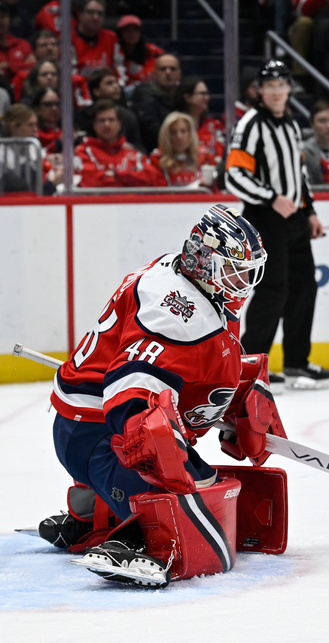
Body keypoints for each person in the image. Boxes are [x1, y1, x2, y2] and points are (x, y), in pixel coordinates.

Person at [43, 204, 282, 587]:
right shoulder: (172, 313)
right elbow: (130, 396)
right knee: (196, 494)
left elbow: (201, 361)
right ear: (205, 263)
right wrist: (161, 457)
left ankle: (89, 511)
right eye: (235, 269)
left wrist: (238, 401)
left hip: (91, 425)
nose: (244, 279)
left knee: (195, 475)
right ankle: (134, 538)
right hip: (100, 433)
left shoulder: (184, 275)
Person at [225, 60, 329, 389]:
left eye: (281, 85)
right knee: (273, 290)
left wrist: (309, 210)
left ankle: (297, 362)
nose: (275, 91)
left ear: (288, 88)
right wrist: (271, 197)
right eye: (269, 86)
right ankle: (251, 364)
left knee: (304, 287)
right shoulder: (251, 125)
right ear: (260, 90)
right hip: (265, 217)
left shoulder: (292, 125)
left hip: (294, 217)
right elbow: (233, 175)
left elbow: (298, 175)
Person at [74, 99, 163, 188]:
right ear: (94, 125)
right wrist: (129, 179)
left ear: (119, 123)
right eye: (102, 120)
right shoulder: (83, 152)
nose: (107, 124)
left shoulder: (134, 154)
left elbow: (152, 179)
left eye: (111, 120)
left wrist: (117, 174)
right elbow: (91, 182)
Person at [75, 67, 144, 149]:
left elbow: (139, 146)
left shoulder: (128, 116)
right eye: (109, 83)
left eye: (116, 82)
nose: (116, 86)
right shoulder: (83, 116)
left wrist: (131, 149)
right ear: (96, 91)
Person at [129, 53, 182, 152]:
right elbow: (153, 134)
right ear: (154, 73)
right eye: (163, 69)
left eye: (172, 69)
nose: (168, 72)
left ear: (179, 73)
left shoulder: (185, 96)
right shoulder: (143, 97)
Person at [150, 111, 218, 187]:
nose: (179, 137)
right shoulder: (157, 160)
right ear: (167, 136)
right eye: (173, 132)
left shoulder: (204, 157)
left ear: (190, 134)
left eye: (183, 131)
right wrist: (196, 186)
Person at [173, 76, 225, 160]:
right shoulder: (174, 127)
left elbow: (222, 156)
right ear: (187, 97)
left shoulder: (214, 126)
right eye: (202, 94)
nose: (207, 98)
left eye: (207, 94)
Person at [70, 0, 119, 79]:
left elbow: (118, 69)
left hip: (105, 89)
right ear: (80, 14)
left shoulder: (111, 38)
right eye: (90, 12)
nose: (95, 17)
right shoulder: (69, 39)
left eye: (100, 14)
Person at [114, 15, 166, 89]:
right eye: (127, 30)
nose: (131, 33)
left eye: (135, 30)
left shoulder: (152, 50)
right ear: (120, 33)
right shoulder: (115, 53)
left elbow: (167, 60)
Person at [0, 3, 32, 82]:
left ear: (9, 19)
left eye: (3, 16)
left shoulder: (23, 44)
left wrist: (9, 66)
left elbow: (33, 67)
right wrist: (20, 66)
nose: (0, 21)